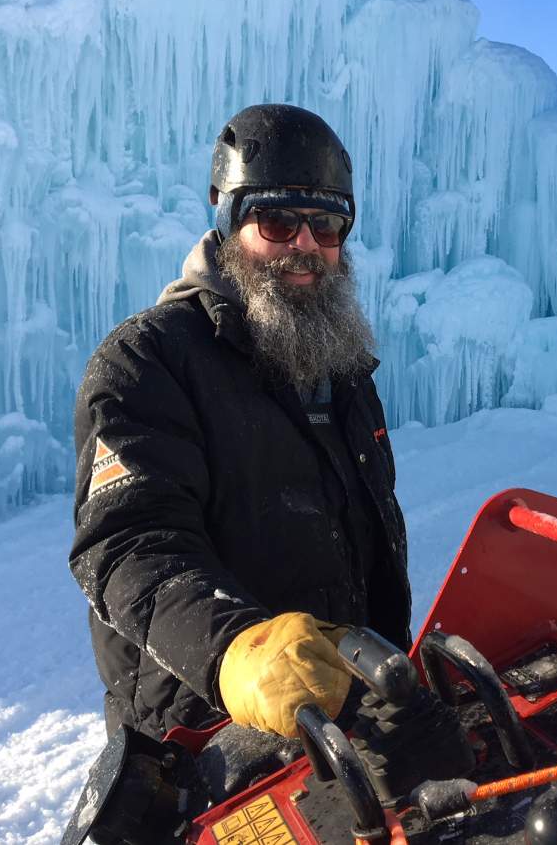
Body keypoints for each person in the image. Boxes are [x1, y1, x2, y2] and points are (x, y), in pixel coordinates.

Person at [69, 104, 410, 743]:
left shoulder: (343, 369)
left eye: (328, 224)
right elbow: (127, 545)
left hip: (344, 722)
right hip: (208, 740)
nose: (306, 245)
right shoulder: (148, 362)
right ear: (228, 219)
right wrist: (234, 649)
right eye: (277, 221)